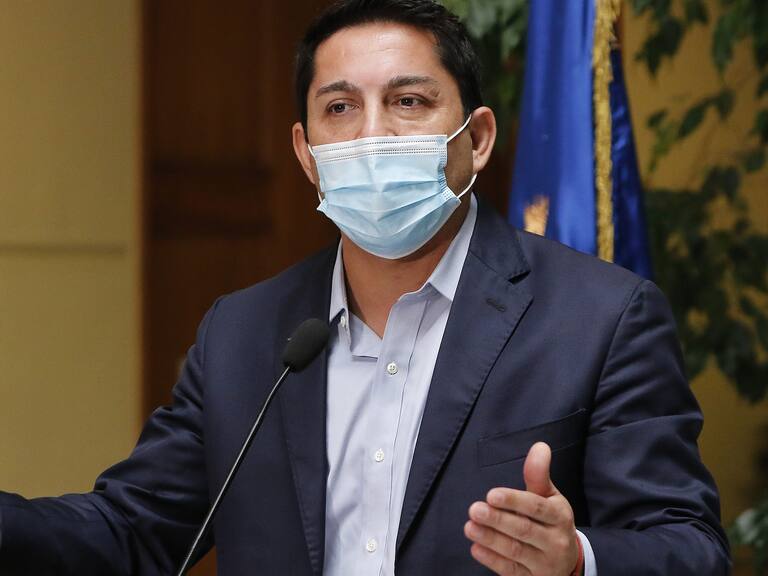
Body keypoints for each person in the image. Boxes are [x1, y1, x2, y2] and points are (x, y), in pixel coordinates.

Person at [0, 1, 730, 574]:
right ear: (306, 153)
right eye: (340, 108)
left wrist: (578, 560)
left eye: (408, 102)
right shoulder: (244, 334)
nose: (371, 136)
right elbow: (132, 531)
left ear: (477, 139)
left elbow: (689, 547)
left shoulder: (600, 318)